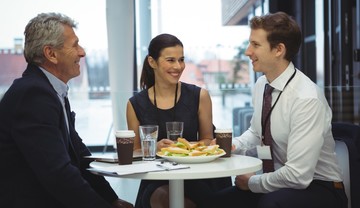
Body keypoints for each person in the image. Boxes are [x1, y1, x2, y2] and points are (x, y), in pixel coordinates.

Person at [204, 11, 348, 208]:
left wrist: (252, 182)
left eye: (255, 45)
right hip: (279, 183)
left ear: (278, 49)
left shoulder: (306, 98)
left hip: (320, 187)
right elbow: (256, 132)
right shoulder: (262, 84)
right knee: (214, 203)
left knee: (270, 204)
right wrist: (233, 145)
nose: (248, 51)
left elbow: (298, 176)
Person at [0, 13, 133, 208]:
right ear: (51, 54)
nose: (82, 52)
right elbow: (58, 174)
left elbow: (79, 154)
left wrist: (112, 199)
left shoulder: (52, 90)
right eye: (75, 45)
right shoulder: (33, 95)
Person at [126, 33, 231, 208]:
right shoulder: (135, 104)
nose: (178, 66)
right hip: (158, 177)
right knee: (163, 198)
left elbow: (207, 138)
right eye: (170, 60)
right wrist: (153, 147)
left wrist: (187, 150)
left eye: (181, 60)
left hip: (197, 175)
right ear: (152, 62)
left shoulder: (200, 96)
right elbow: (135, 150)